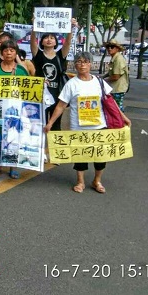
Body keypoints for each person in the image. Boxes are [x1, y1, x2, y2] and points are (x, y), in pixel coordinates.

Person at [44, 52, 131, 194]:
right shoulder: (71, 84)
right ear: (75, 65)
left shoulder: (99, 82)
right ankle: (80, 182)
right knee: (80, 155)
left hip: (99, 125)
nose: (82, 65)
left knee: (101, 156)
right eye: (78, 62)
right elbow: (61, 105)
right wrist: (50, 123)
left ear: (90, 64)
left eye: (85, 62)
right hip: (78, 127)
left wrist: (123, 117)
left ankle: (97, 181)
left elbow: (111, 102)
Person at [0, 40, 29, 178]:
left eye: (12, 50)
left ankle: (12, 167)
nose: (9, 53)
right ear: (1, 54)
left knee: (13, 138)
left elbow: (28, 89)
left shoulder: (21, 71)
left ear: (16, 53)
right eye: (6, 50)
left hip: (15, 111)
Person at [30, 19, 77, 129]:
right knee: (40, 124)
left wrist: (70, 28)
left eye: (52, 38)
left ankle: (54, 141)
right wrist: (34, 26)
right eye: (46, 38)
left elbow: (68, 43)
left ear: (56, 42)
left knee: (56, 125)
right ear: (41, 42)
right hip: (40, 95)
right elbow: (32, 42)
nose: (49, 40)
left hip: (58, 96)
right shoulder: (38, 55)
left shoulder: (60, 55)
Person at [103, 39, 129, 111]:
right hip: (115, 88)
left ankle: (122, 118)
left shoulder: (118, 59)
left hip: (118, 89)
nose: (109, 48)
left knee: (117, 110)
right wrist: (102, 77)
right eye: (108, 47)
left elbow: (116, 77)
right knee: (115, 108)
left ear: (117, 48)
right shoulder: (115, 58)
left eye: (112, 47)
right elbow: (111, 72)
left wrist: (103, 80)